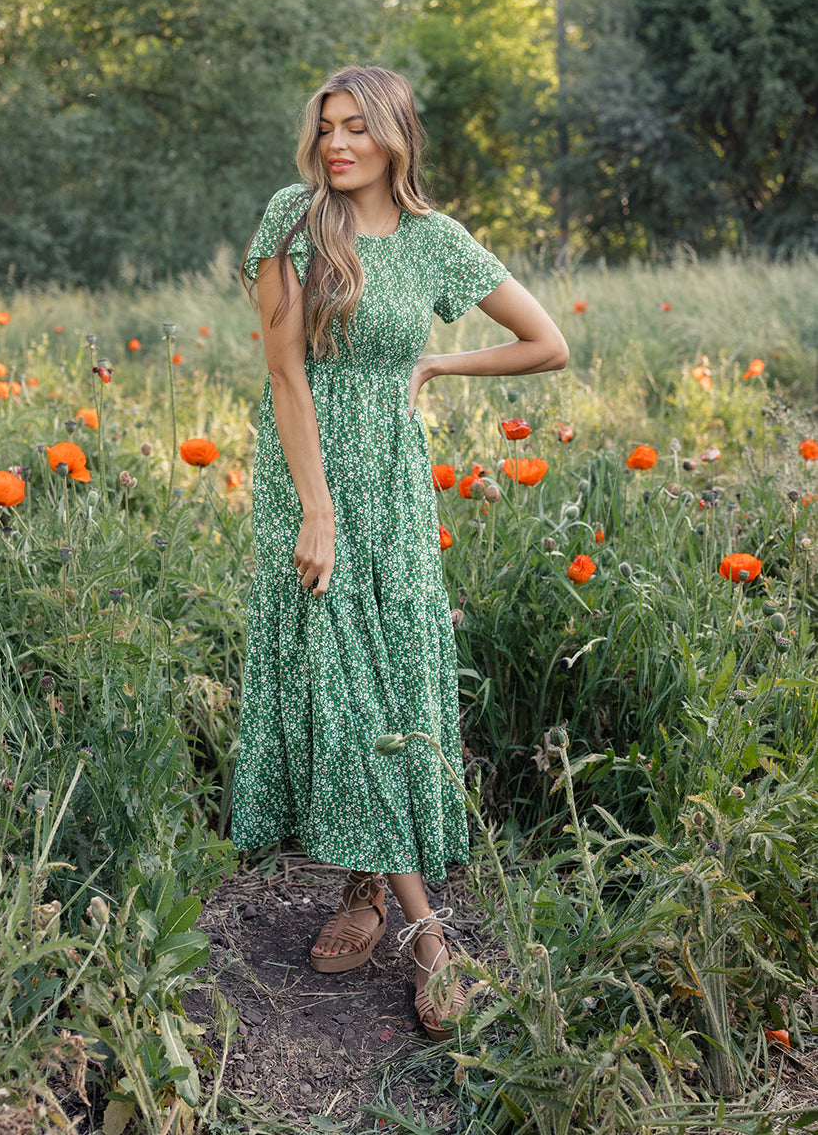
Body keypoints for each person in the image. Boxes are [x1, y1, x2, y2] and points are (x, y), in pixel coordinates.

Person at [235, 65, 568, 1039]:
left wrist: (437, 358)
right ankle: (429, 933)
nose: (337, 145)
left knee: (388, 680)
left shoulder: (434, 242)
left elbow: (545, 342)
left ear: (393, 137)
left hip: (394, 476)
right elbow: (285, 373)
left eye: (356, 130)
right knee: (344, 677)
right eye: (326, 129)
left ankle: (366, 891)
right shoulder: (292, 220)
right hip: (310, 477)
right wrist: (315, 510)